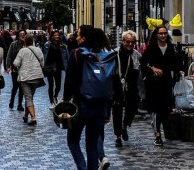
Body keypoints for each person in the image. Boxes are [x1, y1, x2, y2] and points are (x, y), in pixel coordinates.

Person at [64, 25, 112, 170]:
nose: (76, 37)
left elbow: (69, 81)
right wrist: (107, 110)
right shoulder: (102, 55)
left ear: (84, 38)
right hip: (100, 106)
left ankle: (82, 167)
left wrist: (66, 102)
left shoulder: (77, 53)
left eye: (78, 35)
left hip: (81, 105)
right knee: (92, 147)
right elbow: (110, 83)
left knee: (72, 141)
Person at [140, 25, 182, 146]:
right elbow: (143, 62)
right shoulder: (152, 47)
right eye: (161, 33)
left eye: (164, 33)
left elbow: (174, 62)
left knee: (166, 108)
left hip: (166, 82)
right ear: (156, 35)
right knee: (157, 109)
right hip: (154, 83)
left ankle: (155, 124)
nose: (163, 35)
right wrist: (153, 68)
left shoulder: (170, 47)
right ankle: (157, 134)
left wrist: (179, 70)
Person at [112, 30, 141, 147]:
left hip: (131, 86)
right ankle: (118, 136)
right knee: (117, 110)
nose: (130, 44)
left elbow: (142, 66)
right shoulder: (115, 53)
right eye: (128, 42)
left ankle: (125, 126)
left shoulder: (136, 54)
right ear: (123, 41)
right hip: (117, 86)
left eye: (132, 42)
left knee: (133, 107)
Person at [13, 35, 45, 126]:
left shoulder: (22, 51)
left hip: (25, 77)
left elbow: (16, 63)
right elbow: (42, 62)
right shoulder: (38, 50)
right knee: (30, 96)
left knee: (28, 97)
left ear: (25, 42)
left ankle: (33, 118)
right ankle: (26, 115)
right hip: (36, 77)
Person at [42, 30, 69, 108]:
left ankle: (55, 96)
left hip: (58, 67)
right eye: (55, 35)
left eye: (58, 35)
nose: (57, 37)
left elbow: (66, 57)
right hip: (49, 68)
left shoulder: (62, 46)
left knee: (59, 85)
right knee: (51, 85)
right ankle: (51, 102)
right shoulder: (47, 45)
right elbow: (44, 56)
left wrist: (67, 67)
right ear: (52, 36)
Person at [6, 30, 27, 111]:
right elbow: (9, 55)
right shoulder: (13, 44)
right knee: (15, 86)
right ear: (18, 35)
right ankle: (12, 101)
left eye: (23, 34)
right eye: (21, 34)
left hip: (24, 68)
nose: (22, 35)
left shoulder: (27, 45)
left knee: (22, 87)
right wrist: (8, 66)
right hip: (15, 68)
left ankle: (19, 104)